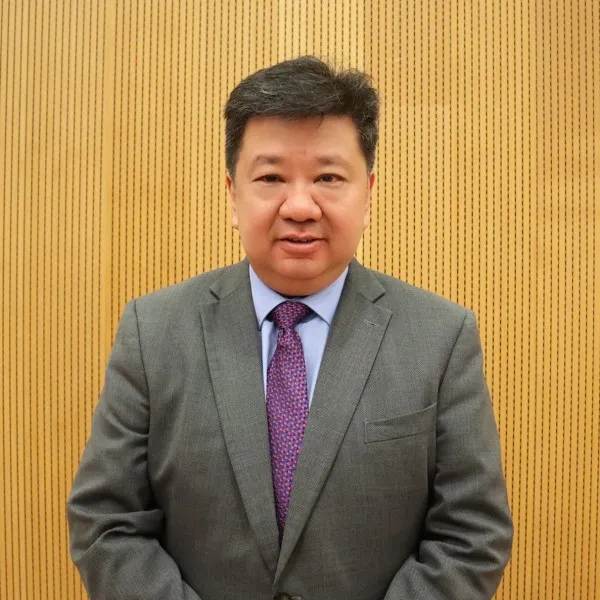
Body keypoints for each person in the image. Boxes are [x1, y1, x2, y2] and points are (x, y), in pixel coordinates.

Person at [67, 56, 513, 600]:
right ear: (233, 194)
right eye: (271, 177)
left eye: (328, 177)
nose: (300, 206)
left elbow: (472, 535)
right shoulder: (153, 331)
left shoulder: (441, 337)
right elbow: (106, 522)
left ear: (368, 193)